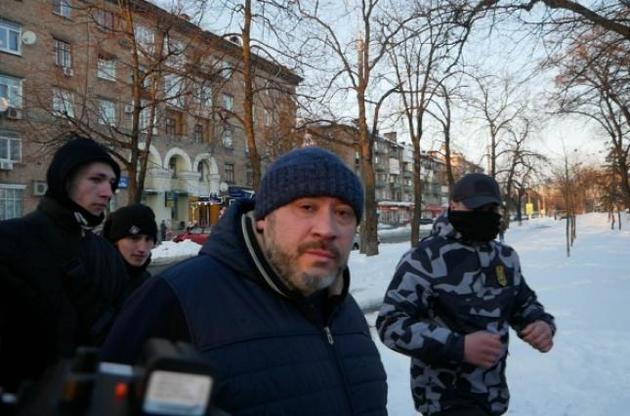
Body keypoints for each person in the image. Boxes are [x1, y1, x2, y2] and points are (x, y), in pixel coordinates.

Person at [102, 147, 388, 415]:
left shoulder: (345, 310)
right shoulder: (174, 299)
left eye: (343, 213)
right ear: (264, 218)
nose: (327, 229)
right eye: (307, 207)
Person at [377, 173, 555, 416]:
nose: (485, 214)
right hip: (444, 401)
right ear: (453, 206)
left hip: (493, 397)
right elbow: (391, 324)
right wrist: (458, 346)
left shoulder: (505, 257)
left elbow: (523, 305)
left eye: (491, 209)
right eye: (476, 208)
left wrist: (540, 324)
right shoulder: (424, 258)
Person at [0, 135, 128, 400]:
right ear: (65, 180)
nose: (107, 192)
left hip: (93, 399)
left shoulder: (106, 254)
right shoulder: (11, 242)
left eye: (111, 183)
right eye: (96, 179)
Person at [103, 204, 157, 296]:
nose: (142, 249)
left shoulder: (147, 281)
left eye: (148, 239)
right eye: (134, 238)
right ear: (116, 241)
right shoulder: (97, 281)